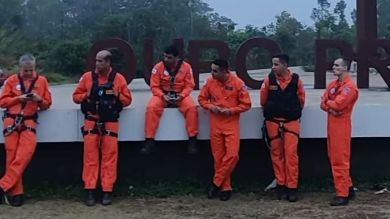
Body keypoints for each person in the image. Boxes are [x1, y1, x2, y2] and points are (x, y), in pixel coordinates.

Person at [73, 50, 132, 206]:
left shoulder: (118, 79)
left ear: (108, 62)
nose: (97, 64)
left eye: (100, 61)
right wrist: (87, 94)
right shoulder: (87, 77)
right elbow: (75, 97)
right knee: (90, 158)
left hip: (110, 122)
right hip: (91, 121)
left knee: (109, 158)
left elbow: (127, 100)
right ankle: (90, 190)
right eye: (96, 61)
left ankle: (107, 191)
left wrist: (113, 93)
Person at [0, 54, 52, 207]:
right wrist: (18, 99)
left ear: (34, 68)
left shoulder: (41, 81)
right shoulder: (11, 81)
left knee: (24, 155)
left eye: (31, 70)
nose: (28, 73)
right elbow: (2, 102)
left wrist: (39, 100)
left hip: (29, 122)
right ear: (20, 68)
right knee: (12, 156)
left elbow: (48, 103)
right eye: (25, 71)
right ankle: (16, 193)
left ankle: (3, 185)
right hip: (12, 121)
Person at [198, 59, 251, 201]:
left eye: (215, 70)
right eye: (211, 70)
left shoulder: (238, 83)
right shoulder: (209, 82)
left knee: (232, 156)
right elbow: (202, 99)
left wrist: (231, 111)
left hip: (231, 123)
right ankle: (225, 188)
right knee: (219, 159)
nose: (212, 73)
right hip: (215, 123)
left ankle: (215, 183)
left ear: (224, 71)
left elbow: (247, 104)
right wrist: (211, 107)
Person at [260, 54, 305, 202]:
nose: (273, 67)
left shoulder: (297, 80)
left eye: (276, 64)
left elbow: (301, 99)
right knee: (276, 155)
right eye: (272, 64)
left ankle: (292, 187)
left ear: (285, 65)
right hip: (273, 122)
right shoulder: (269, 80)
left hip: (291, 123)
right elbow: (263, 100)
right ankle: (281, 186)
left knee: (291, 155)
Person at [140, 45, 198, 155]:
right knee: (151, 108)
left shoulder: (186, 67)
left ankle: (192, 140)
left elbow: (190, 85)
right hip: (163, 94)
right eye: (165, 57)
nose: (166, 59)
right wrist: (162, 96)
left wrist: (182, 95)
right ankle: (149, 140)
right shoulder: (158, 67)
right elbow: (154, 86)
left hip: (180, 95)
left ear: (177, 58)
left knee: (192, 108)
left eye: (169, 57)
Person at [320, 57, 359, 206]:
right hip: (332, 124)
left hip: (342, 126)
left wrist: (329, 105)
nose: (333, 67)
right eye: (334, 64)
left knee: (339, 160)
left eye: (337, 65)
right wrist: (331, 106)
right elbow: (323, 103)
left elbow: (338, 104)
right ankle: (348, 188)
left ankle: (342, 194)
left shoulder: (350, 86)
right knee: (333, 157)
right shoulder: (333, 85)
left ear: (344, 68)